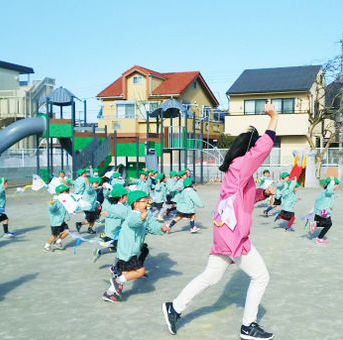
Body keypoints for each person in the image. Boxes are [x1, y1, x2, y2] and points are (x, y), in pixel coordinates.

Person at [162, 103, 278, 339]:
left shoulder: (235, 171)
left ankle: (174, 307)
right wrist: (273, 117)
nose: (256, 151)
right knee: (261, 276)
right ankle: (248, 326)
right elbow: (263, 148)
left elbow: (243, 200)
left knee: (211, 276)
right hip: (234, 235)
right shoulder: (241, 165)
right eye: (253, 147)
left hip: (225, 232)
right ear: (248, 149)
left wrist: (263, 194)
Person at [102, 190, 169, 302]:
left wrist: (160, 228)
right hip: (128, 250)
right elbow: (133, 222)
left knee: (125, 274)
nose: (146, 204)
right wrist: (141, 218)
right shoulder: (134, 214)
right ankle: (117, 281)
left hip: (131, 249)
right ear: (135, 203)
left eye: (147, 201)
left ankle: (109, 293)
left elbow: (152, 226)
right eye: (143, 201)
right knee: (140, 272)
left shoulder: (145, 213)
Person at [93, 184, 128, 263]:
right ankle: (115, 268)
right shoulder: (123, 208)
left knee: (118, 249)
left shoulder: (111, 206)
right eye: (126, 196)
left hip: (109, 233)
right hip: (117, 234)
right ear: (121, 197)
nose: (127, 198)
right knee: (122, 251)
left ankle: (100, 252)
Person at [310, 177, 339, 244]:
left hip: (320, 211)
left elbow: (326, 201)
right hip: (324, 211)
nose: (337, 186)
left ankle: (315, 224)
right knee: (329, 224)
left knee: (324, 223)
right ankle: (319, 238)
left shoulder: (325, 192)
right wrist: (332, 182)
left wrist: (331, 207)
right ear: (330, 185)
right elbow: (329, 191)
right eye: (336, 184)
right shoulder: (328, 192)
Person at [44, 184, 71, 252]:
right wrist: (51, 204)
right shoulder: (55, 201)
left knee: (67, 231)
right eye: (66, 191)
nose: (68, 192)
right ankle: (47, 246)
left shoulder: (63, 200)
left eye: (68, 191)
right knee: (54, 236)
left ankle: (57, 242)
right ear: (60, 193)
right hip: (56, 222)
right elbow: (51, 209)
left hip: (61, 221)